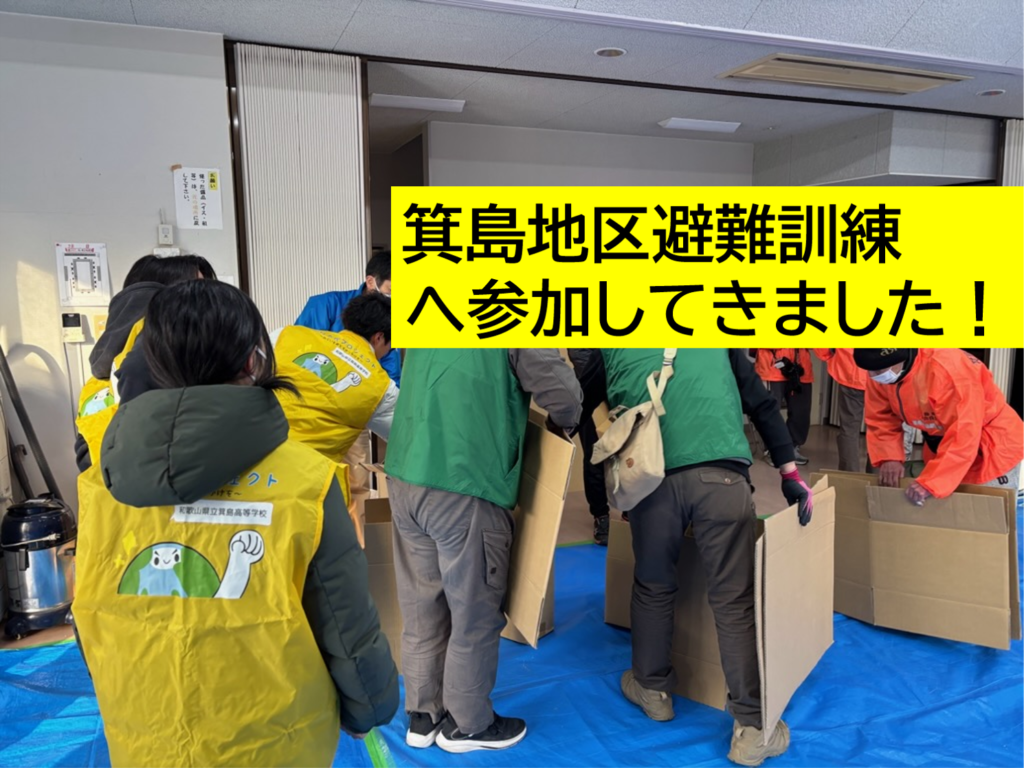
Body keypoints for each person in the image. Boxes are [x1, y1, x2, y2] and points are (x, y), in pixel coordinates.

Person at [72, 281, 398, 767]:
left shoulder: (101, 482)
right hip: (276, 739)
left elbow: (90, 610)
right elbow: (344, 620)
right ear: (253, 360)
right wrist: (369, 707)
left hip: (145, 733)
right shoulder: (307, 481)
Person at [600, 349, 813, 767]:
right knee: (733, 600)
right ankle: (752, 729)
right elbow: (760, 402)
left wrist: (615, 489)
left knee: (653, 585)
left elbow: (590, 408)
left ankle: (652, 691)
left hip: (650, 478)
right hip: (722, 474)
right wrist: (789, 473)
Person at [384, 349, 582, 753]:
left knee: (422, 605)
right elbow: (563, 394)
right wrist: (566, 420)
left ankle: (423, 715)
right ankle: (468, 723)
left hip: (407, 472)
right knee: (473, 611)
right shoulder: (514, 317)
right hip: (465, 477)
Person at [74, 254, 217, 471]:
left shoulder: (102, 370)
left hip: (104, 485)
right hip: (155, 483)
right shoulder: (163, 343)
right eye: (198, 292)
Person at [296, 250, 398, 509]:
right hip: (306, 414)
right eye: (392, 290)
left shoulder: (389, 322)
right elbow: (302, 353)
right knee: (306, 486)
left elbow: (390, 376)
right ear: (371, 281)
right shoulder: (325, 305)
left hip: (354, 416)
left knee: (356, 488)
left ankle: (356, 534)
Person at [855, 348, 1024, 503]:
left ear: (901, 358)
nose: (874, 376)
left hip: (992, 447)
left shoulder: (948, 370)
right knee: (947, 512)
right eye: (870, 370)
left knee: (987, 515)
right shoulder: (880, 371)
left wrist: (933, 482)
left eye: (880, 371)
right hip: (943, 444)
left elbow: (964, 432)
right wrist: (889, 456)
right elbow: (881, 417)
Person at [272, 292, 397, 465]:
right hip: (306, 473)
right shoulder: (382, 387)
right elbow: (403, 436)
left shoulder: (284, 335)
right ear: (379, 337)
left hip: (252, 454)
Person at [567, 348, 615, 545]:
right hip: (590, 381)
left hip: (620, 378)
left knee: (635, 446)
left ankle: (632, 509)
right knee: (595, 452)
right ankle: (601, 515)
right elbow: (579, 352)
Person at [753, 349, 813, 465]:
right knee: (770, 412)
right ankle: (772, 450)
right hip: (772, 366)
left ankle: (792, 447)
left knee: (801, 412)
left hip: (800, 367)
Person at [813, 349, 868, 472]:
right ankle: (878, 477)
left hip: (851, 373)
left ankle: (850, 476)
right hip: (883, 376)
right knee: (880, 430)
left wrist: (829, 356)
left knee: (849, 430)